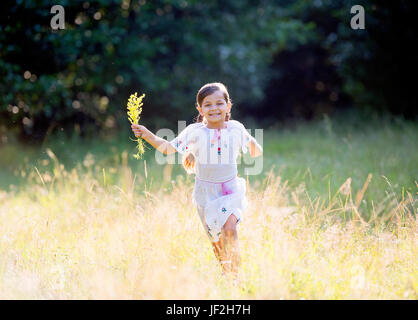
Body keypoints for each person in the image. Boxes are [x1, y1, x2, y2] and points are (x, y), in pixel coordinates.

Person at [131, 82, 262, 281]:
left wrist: (253, 144)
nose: (214, 108)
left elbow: (254, 147)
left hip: (230, 191)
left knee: (229, 229)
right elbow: (167, 148)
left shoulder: (236, 128)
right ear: (200, 109)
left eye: (219, 103)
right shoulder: (195, 132)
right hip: (205, 194)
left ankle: (236, 278)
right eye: (207, 104)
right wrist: (147, 134)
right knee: (216, 242)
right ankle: (227, 275)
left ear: (228, 106)